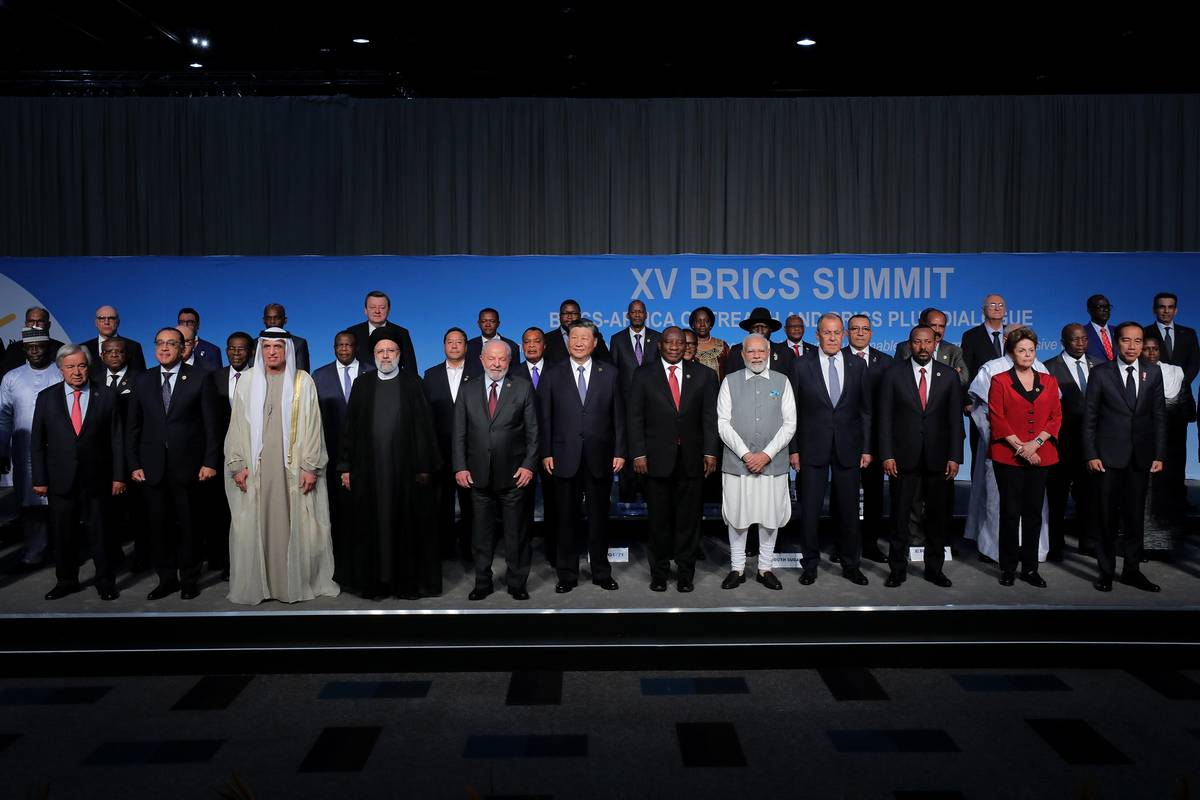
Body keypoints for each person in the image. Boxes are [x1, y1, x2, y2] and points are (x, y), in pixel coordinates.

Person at [223, 329, 338, 605]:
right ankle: (261, 585)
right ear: (260, 351)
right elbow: (237, 426)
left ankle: (291, 583)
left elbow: (313, 427)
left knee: (297, 524)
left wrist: (311, 466)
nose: (272, 352)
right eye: (267, 347)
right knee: (255, 524)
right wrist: (237, 463)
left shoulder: (302, 381)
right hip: (257, 468)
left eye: (278, 346)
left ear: (287, 349)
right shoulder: (248, 381)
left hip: (293, 469)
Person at [338, 328, 441, 599]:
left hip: (405, 473)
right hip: (368, 471)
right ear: (373, 355)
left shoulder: (414, 383)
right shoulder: (362, 385)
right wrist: (346, 467)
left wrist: (423, 467)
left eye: (391, 351)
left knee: (407, 527)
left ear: (399, 354)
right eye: (380, 351)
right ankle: (374, 583)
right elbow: (350, 429)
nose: (386, 356)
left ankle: (405, 584)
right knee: (370, 527)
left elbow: (425, 429)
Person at [127, 326, 221, 600]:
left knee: (190, 526)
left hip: (189, 467)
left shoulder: (200, 378)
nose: (165, 348)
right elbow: (133, 427)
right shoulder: (142, 380)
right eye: (160, 343)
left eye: (171, 344)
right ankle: (166, 579)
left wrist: (209, 462)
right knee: (159, 528)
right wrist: (133, 463)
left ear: (183, 349)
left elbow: (211, 426)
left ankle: (189, 579)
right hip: (152, 468)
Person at [30, 344, 125, 601]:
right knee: (63, 534)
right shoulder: (46, 397)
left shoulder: (105, 395)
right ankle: (66, 581)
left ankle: (105, 582)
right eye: (70, 366)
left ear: (89, 367)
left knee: (101, 534)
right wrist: (39, 479)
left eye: (82, 365)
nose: (77, 372)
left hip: (98, 478)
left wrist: (118, 476)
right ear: (60, 369)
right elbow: (37, 442)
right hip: (60, 479)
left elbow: (117, 439)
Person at [627, 327, 719, 592]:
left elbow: (710, 418)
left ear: (685, 345)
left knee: (689, 521)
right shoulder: (643, 375)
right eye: (669, 342)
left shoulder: (705, 375)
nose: (675, 346)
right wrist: (639, 453)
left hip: (692, 459)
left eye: (680, 342)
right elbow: (635, 417)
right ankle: (659, 573)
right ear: (660, 345)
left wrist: (710, 452)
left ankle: (686, 574)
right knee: (659, 521)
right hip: (655, 460)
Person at [540, 319, 626, 592]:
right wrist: (546, 452)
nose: (578, 342)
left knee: (600, 519)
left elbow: (619, 417)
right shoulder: (552, 374)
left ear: (595, 343)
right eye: (573, 337)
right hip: (563, 456)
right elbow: (545, 418)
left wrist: (620, 451)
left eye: (584, 338)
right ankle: (567, 575)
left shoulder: (610, 373)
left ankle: (601, 572)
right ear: (567, 341)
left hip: (600, 457)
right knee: (566, 520)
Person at [789, 313, 873, 586]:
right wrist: (794, 449)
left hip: (848, 447)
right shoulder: (802, 365)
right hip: (812, 448)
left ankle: (851, 564)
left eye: (838, 332)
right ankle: (810, 564)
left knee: (849, 511)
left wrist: (867, 448)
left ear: (844, 335)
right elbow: (793, 412)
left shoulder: (858, 365)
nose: (833, 337)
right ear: (818, 335)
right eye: (827, 332)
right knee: (810, 510)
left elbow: (865, 411)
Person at [1083, 321, 1167, 592]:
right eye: (1127, 340)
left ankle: (1132, 570)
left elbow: (1159, 417)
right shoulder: (1101, 373)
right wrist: (1091, 453)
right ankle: (1106, 572)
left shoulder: (1153, 373)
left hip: (1140, 458)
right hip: (1107, 458)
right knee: (1106, 518)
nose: (1132, 346)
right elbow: (1090, 417)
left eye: (1138, 341)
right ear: (1117, 342)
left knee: (1134, 519)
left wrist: (1159, 453)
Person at [453, 340, 540, 600]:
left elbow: (534, 432)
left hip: (514, 476)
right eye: (491, 358)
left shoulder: (523, 388)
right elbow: (459, 433)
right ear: (481, 359)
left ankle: (517, 582)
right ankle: (482, 582)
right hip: (477, 476)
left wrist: (528, 466)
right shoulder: (467, 390)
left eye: (502, 359)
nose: (496, 364)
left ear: (509, 360)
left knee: (516, 534)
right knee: (481, 535)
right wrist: (460, 466)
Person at [878, 325, 963, 588]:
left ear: (935, 344)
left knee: (937, 517)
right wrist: (887, 454)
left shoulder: (948, 375)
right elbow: (885, 418)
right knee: (900, 516)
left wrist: (955, 456)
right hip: (902, 458)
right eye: (917, 342)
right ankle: (897, 569)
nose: (923, 347)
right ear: (910, 344)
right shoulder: (893, 373)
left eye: (928, 342)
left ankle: (934, 569)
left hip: (939, 458)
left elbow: (955, 420)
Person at [717, 334, 796, 591]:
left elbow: (790, 424)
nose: (756, 356)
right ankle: (737, 568)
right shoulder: (730, 381)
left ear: (769, 352)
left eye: (761, 351)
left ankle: (765, 569)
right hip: (738, 465)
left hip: (772, 465)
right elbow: (722, 423)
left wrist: (766, 455)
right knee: (738, 517)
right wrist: (745, 454)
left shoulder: (782, 382)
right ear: (742, 354)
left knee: (769, 517)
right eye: (751, 351)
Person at [988, 328, 1061, 588]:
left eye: (1031, 350)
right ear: (1012, 353)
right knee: (1010, 513)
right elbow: (996, 417)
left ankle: (1030, 569)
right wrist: (1020, 447)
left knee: (1033, 513)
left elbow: (1055, 416)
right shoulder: (999, 380)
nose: (1027, 355)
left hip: (1041, 455)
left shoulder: (1049, 381)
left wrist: (1036, 444)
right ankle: (1008, 567)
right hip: (1008, 456)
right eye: (1022, 350)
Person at [312, 330, 369, 577]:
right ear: (334, 347)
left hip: (366, 452)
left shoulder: (372, 372)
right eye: (340, 345)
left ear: (356, 347)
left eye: (348, 345)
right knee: (335, 507)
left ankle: (364, 556)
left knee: (363, 506)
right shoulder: (319, 376)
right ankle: (338, 560)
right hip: (332, 452)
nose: (344, 349)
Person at [0, 328, 58, 569]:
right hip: (24, 452)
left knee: (59, 504)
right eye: (30, 346)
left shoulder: (60, 371)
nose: (35, 350)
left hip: (58, 451)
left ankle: (61, 552)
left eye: (40, 346)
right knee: (30, 505)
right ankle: (34, 551)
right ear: (24, 348)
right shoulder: (11, 377)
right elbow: (3, 417)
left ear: (47, 346)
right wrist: (2, 449)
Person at [1044, 324, 1100, 559]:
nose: (1081, 343)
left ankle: (1088, 542)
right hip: (1061, 443)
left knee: (1089, 496)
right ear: (1063, 342)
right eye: (1075, 339)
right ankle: (1055, 545)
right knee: (1056, 497)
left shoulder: (1099, 365)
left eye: (1084, 339)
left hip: (1092, 444)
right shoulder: (1048, 368)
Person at [843, 313, 893, 563]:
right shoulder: (837, 358)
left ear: (871, 333)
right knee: (845, 496)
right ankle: (845, 546)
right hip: (844, 439)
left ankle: (871, 544)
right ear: (847, 332)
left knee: (874, 496)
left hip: (875, 441)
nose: (860, 333)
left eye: (865, 329)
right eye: (855, 329)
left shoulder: (886, 362)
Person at [205, 331, 254, 580]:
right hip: (220, 452)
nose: (236, 353)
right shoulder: (214, 378)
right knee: (222, 511)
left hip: (251, 451)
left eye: (242, 348)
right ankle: (226, 562)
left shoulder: (260, 378)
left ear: (251, 351)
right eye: (231, 348)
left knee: (250, 510)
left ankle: (251, 562)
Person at [1144, 292, 1198, 513]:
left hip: (1179, 403)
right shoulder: (1145, 332)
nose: (1166, 310)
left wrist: (1177, 383)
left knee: (1178, 452)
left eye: (1170, 307)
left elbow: (1195, 363)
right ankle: (1153, 498)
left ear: (1176, 310)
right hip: (1149, 404)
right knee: (1153, 452)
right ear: (1154, 309)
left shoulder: (1189, 333)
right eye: (1161, 306)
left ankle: (1178, 496)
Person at [1138, 332, 1190, 556]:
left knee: (1166, 494)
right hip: (1140, 443)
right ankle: (1141, 544)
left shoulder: (1174, 373)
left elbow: (1184, 407)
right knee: (1142, 495)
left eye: (1155, 349)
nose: (1151, 353)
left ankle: (1164, 545)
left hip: (1168, 444)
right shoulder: (1131, 371)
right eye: (1146, 348)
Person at [422, 327, 472, 559]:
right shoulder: (430, 375)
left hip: (471, 450)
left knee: (470, 503)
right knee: (441, 502)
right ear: (444, 346)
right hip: (440, 450)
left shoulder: (478, 372)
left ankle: (469, 549)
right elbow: (426, 415)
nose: (454, 346)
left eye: (458, 342)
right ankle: (444, 549)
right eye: (450, 342)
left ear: (466, 346)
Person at [610, 301, 660, 504]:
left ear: (646, 315)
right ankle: (628, 497)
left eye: (641, 312)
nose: (637, 315)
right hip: (625, 404)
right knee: (628, 447)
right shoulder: (617, 339)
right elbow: (614, 371)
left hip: (653, 404)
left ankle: (650, 494)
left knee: (650, 448)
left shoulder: (658, 337)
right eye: (634, 312)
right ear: (628, 315)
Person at [518, 326, 557, 564]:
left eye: (536, 341)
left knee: (555, 505)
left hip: (553, 449)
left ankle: (554, 553)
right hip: (522, 452)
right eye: (527, 342)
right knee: (522, 508)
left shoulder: (558, 371)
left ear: (544, 345)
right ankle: (523, 555)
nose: (531, 346)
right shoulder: (513, 373)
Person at [346, 291, 418, 372]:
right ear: (365, 310)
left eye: (382, 307)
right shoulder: (352, 333)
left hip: (392, 383)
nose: (377, 311)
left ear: (389, 310)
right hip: (359, 383)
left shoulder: (402, 333)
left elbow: (411, 367)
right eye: (373, 307)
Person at [895, 308, 968, 387]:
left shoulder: (954, 351)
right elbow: (897, 377)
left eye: (941, 326)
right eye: (933, 325)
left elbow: (964, 378)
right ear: (922, 324)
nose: (937, 330)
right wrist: (949, 374)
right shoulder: (904, 348)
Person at [725, 307, 791, 374]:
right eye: (755, 327)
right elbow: (729, 380)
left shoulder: (785, 353)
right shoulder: (736, 351)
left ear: (770, 329)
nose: (759, 331)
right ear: (749, 330)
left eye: (764, 327)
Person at [80, 305, 146, 372]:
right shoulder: (83, 348)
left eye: (111, 318)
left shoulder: (133, 347)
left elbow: (141, 377)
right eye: (102, 318)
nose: (106, 322)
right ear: (96, 323)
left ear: (118, 322)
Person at [1, 307, 62, 379]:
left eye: (40, 321)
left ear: (48, 325)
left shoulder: (60, 349)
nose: (35, 325)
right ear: (26, 324)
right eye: (31, 321)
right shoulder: (13, 349)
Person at [544, 299, 611, 364]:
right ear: (559, 316)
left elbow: (606, 361)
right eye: (565, 313)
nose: (569, 317)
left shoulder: (594, 335)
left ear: (579, 316)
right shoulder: (547, 339)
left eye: (574, 313)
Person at [248, 304, 311, 373]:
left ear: (285, 320)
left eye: (277, 318)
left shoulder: (298, 343)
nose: (272, 321)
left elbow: (302, 374)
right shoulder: (252, 344)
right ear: (264, 320)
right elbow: (250, 371)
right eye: (269, 318)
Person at [961, 294, 1008, 381]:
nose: (997, 308)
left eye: (1001, 305)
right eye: (992, 305)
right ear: (983, 310)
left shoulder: (1014, 333)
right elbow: (966, 370)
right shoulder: (970, 336)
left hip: (1011, 391)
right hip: (983, 390)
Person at [465, 308, 520, 376]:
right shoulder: (468, 346)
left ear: (498, 324)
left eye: (492, 321)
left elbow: (515, 374)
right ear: (479, 324)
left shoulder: (512, 346)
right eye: (484, 321)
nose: (488, 324)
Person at [688, 306, 728, 381]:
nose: (702, 324)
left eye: (706, 321)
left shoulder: (722, 346)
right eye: (698, 321)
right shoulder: (687, 347)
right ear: (693, 325)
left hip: (720, 391)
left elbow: (730, 371)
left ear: (711, 325)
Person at [1085, 294, 1116, 362]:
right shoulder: (1083, 332)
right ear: (1090, 310)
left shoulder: (1118, 331)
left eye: (1108, 306)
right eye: (1101, 307)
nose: (1106, 310)